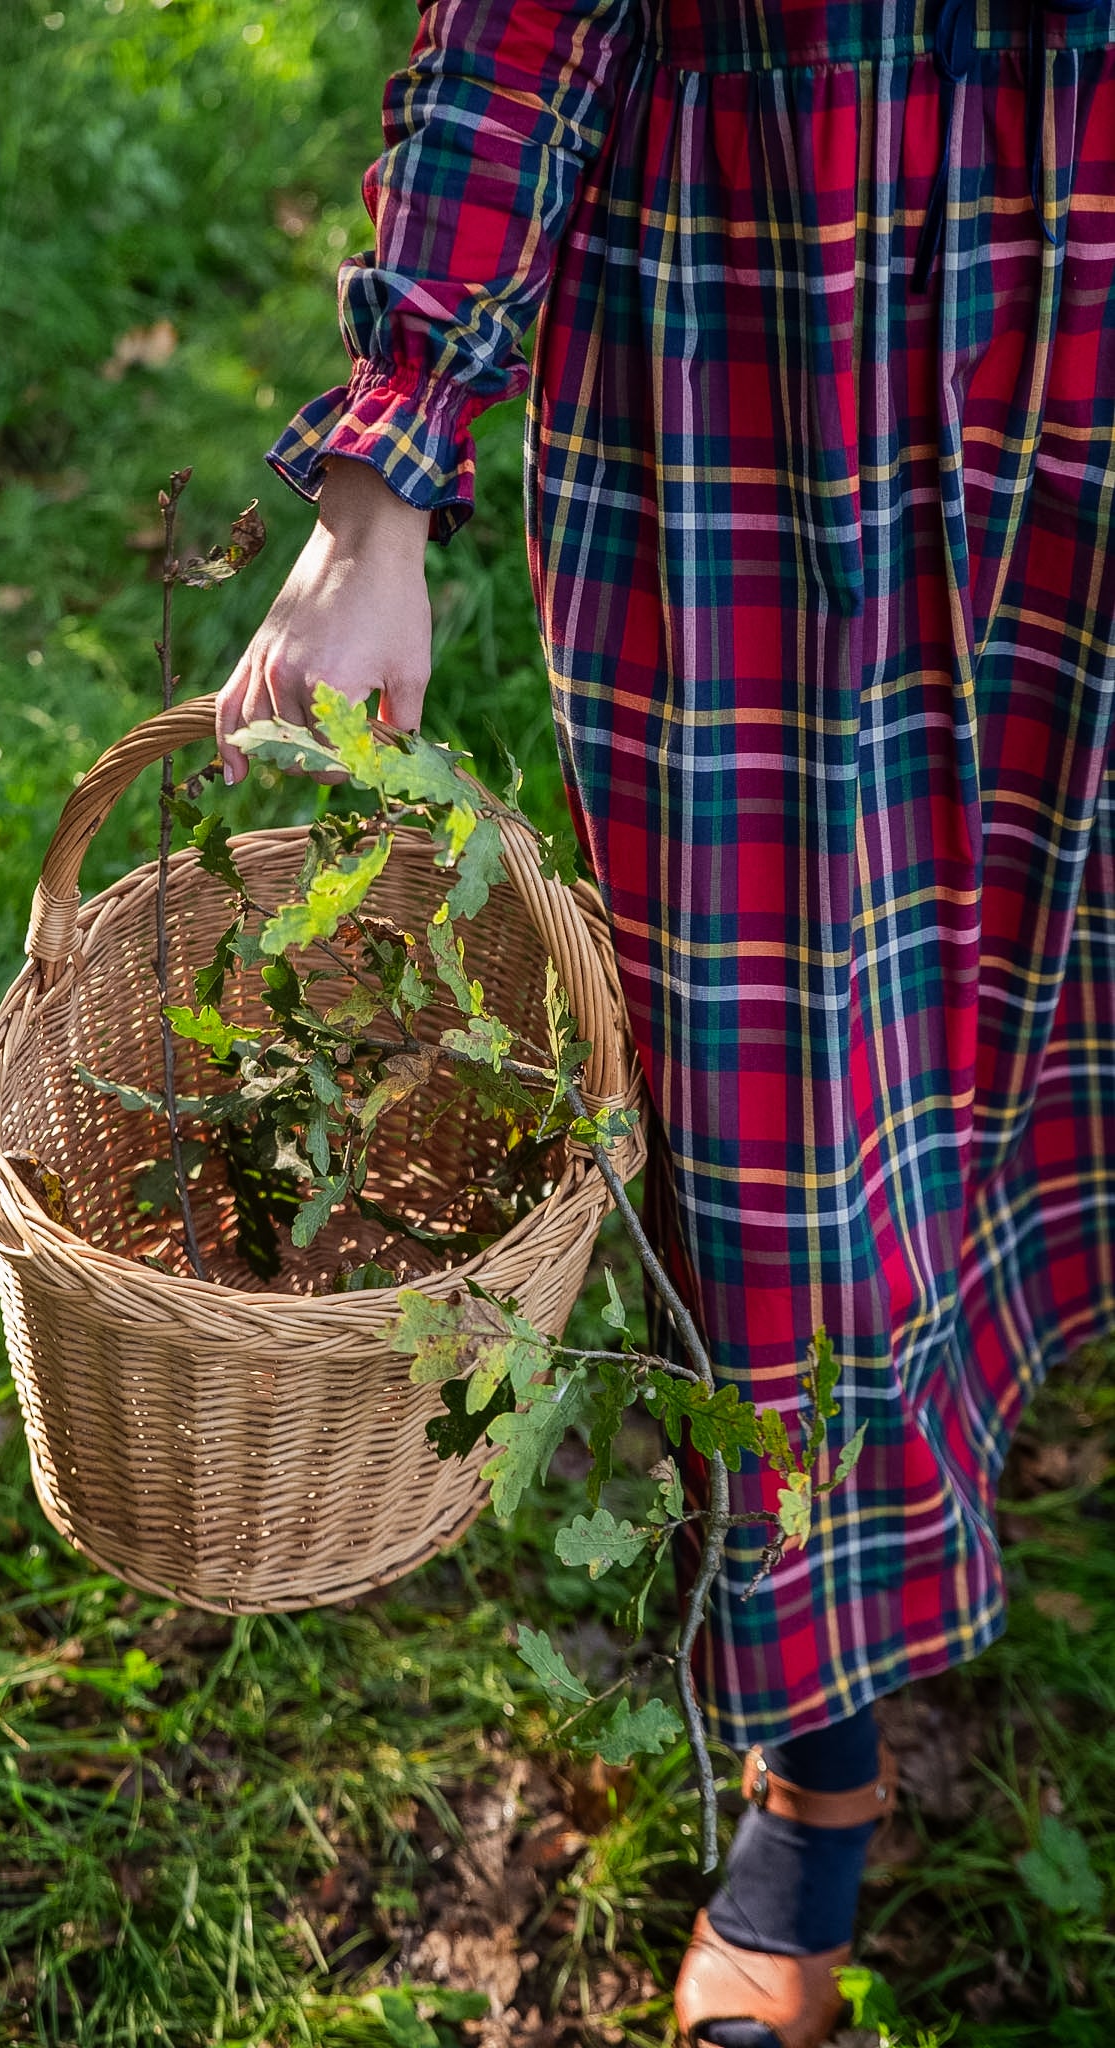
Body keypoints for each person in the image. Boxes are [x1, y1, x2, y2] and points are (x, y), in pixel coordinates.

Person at [217, 2, 1115, 2041]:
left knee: (1068, 966)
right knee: (783, 1089)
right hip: (766, 314)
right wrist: (378, 497)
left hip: (1079, 232)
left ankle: (993, 1408)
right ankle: (818, 1763)